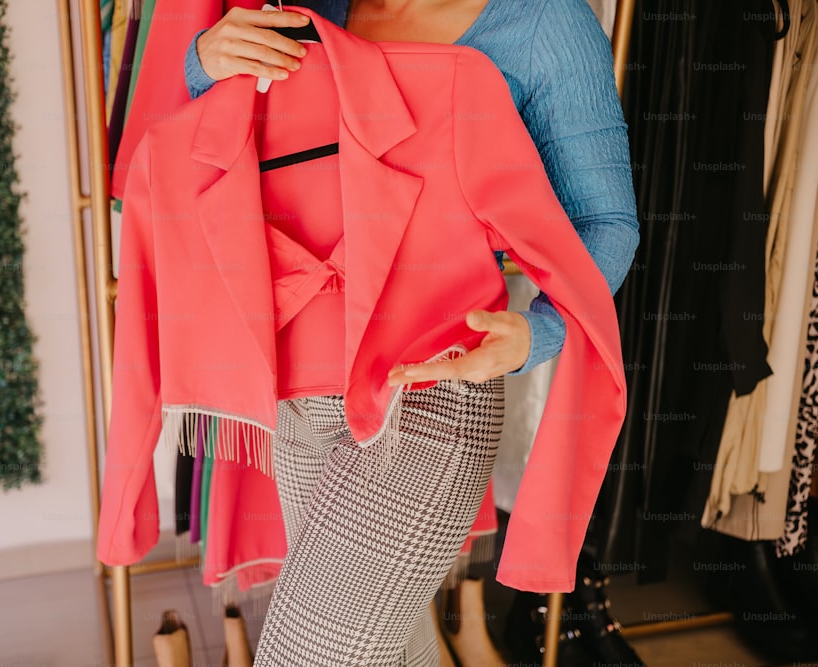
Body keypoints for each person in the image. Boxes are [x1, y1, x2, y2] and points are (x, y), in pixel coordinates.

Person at [182, 0, 639, 664]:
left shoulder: (545, 21)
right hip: (299, 396)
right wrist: (204, 65)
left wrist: (538, 332)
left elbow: (607, 221)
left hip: (429, 398)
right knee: (383, 649)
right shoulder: (312, 5)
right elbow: (222, 142)